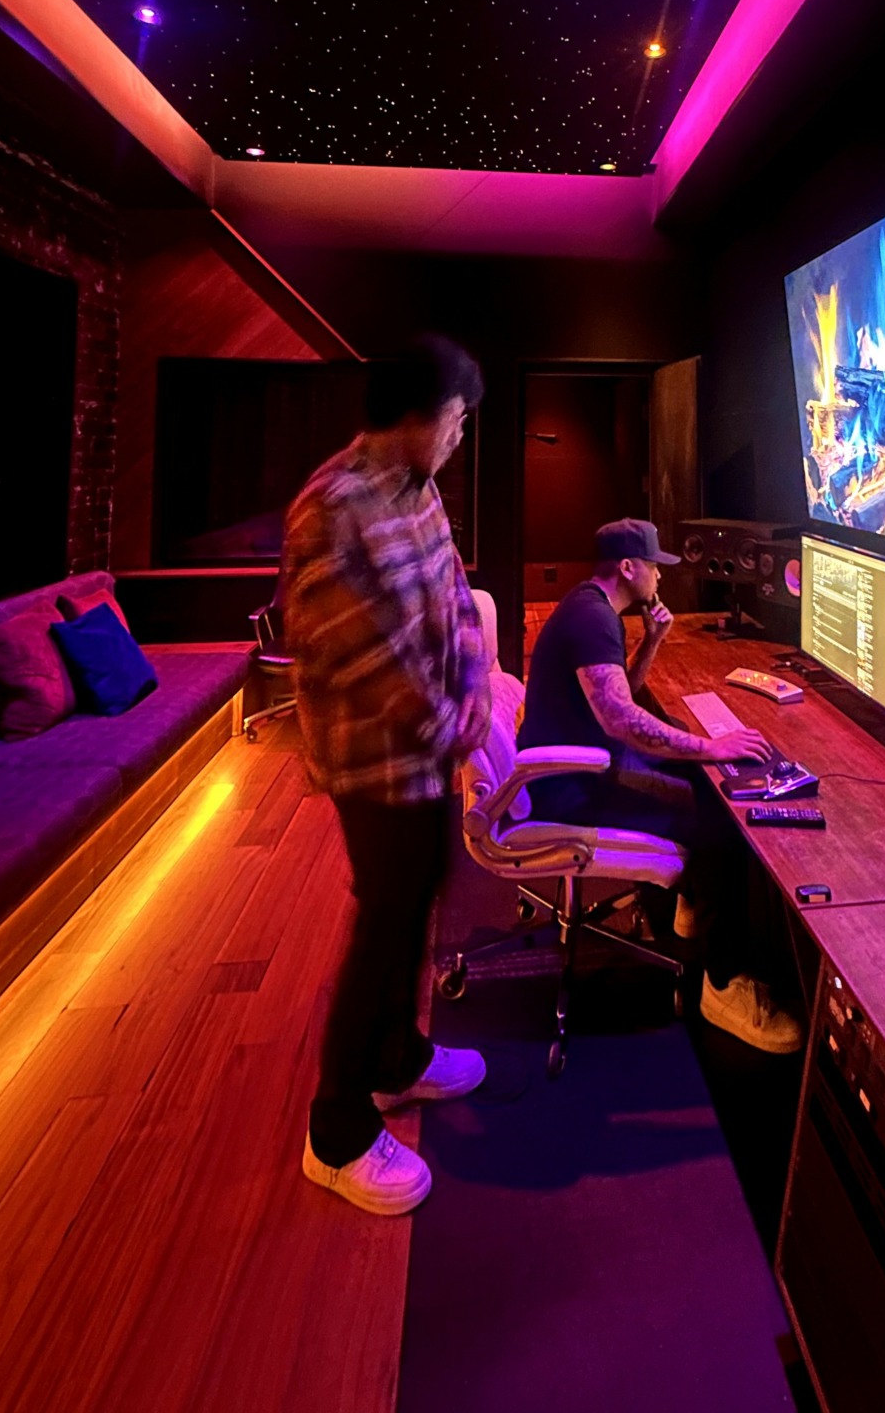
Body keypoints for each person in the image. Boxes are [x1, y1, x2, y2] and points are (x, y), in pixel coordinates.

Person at [281, 335, 491, 1216]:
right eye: (456, 419)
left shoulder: (419, 487)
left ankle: (396, 1059)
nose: (460, 437)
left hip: (427, 754)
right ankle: (334, 1135)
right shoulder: (331, 507)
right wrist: (450, 725)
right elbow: (358, 656)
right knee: (383, 924)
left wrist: (476, 684)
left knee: (418, 899)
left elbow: (455, 596)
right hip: (371, 762)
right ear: (415, 416)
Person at [519, 519, 802, 1053]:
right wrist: (713, 747)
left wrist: (653, 640)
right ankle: (722, 987)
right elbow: (621, 721)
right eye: (653, 566)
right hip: (571, 787)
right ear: (628, 567)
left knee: (698, 780)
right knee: (723, 820)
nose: (660, 577)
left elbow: (619, 698)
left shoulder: (592, 607)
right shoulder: (593, 619)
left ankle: (693, 902)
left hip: (579, 766)